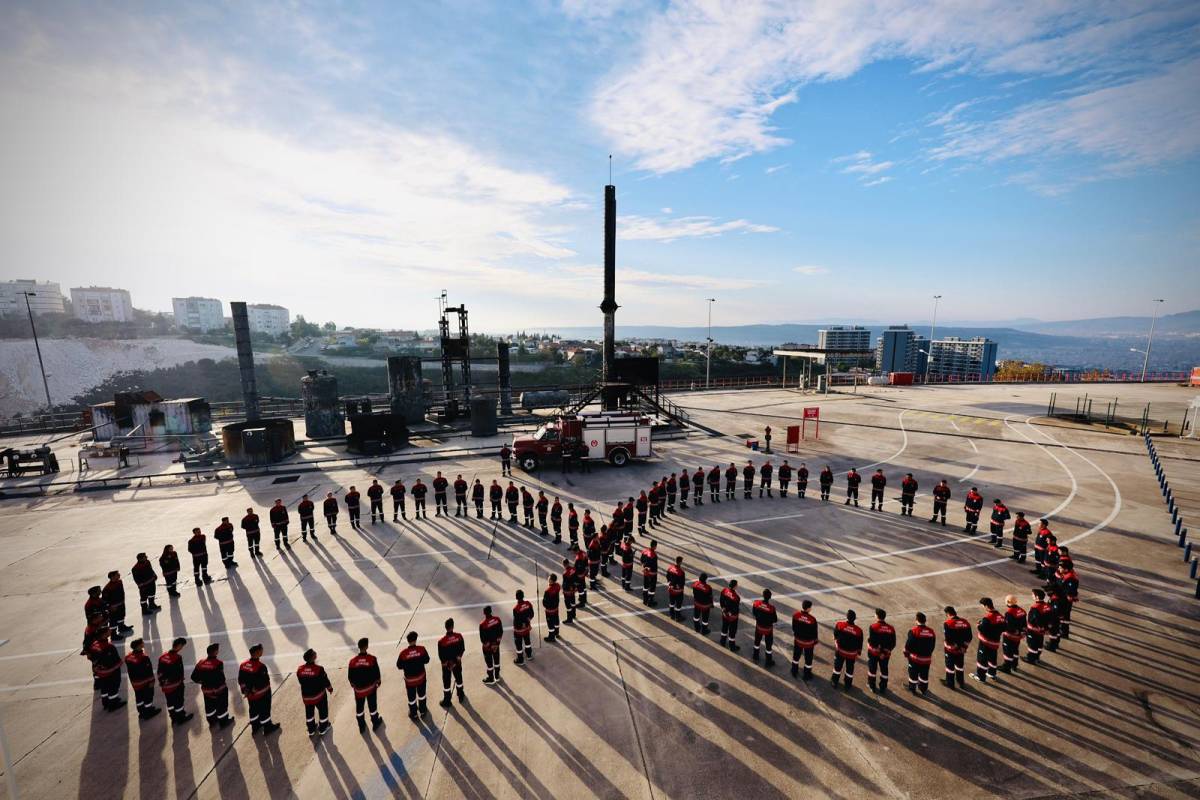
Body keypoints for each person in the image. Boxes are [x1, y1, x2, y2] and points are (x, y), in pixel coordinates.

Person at [238, 643, 279, 735]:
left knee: (253, 710)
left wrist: (245, 690)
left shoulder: (243, 665)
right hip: (262, 694)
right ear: (257, 652)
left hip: (250, 695)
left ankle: (255, 727)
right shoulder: (261, 666)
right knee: (264, 710)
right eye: (261, 649)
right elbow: (263, 681)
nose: (262, 651)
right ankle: (267, 728)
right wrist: (254, 689)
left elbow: (241, 680)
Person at [191, 643, 234, 727]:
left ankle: (212, 721)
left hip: (206, 690)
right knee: (222, 706)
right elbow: (221, 679)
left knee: (209, 706)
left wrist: (202, 682)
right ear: (215, 652)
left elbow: (193, 677)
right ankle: (223, 722)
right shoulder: (218, 663)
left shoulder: (201, 662)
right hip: (218, 690)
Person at [348, 638, 384, 731]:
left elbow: (350, 677)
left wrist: (354, 685)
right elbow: (376, 673)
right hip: (371, 689)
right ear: (366, 646)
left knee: (359, 708)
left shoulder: (352, 662)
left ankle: (361, 726)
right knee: (372, 706)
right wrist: (378, 681)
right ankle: (375, 722)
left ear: (359, 647)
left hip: (359, 691)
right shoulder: (372, 659)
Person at [157, 637, 193, 725]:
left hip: (166, 686)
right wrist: (180, 681)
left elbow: (159, 672)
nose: (182, 648)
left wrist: (162, 682)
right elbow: (178, 673)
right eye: (182, 646)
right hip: (176, 685)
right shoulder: (177, 658)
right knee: (178, 701)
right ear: (179, 646)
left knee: (170, 702)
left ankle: (173, 718)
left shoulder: (162, 657)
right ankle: (181, 718)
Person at [297, 649, 334, 735]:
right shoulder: (319, 669)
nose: (315, 653)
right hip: (319, 696)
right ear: (313, 657)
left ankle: (311, 729)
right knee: (323, 710)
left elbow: (301, 682)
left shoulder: (300, 669)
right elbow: (325, 680)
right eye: (314, 653)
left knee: (309, 712)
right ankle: (323, 727)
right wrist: (330, 688)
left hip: (306, 697)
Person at [89, 626, 126, 711]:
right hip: (111, 672)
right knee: (113, 687)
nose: (110, 631)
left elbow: (92, 657)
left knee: (104, 688)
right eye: (108, 631)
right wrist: (119, 664)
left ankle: (105, 702)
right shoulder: (109, 647)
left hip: (101, 672)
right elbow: (114, 659)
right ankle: (113, 704)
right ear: (104, 635)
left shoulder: (94, 645)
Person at [397, 631, 431, 718]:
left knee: (411, 697)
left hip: (410, 681)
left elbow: (399, 666)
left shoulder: (403, 653)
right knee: (422, 695)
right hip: (421, 678)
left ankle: (413, 713)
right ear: (416, 640)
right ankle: (423, 711)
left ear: (408, 641)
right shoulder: (422, 649)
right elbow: (427, 660)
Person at [972, 597, 1005, 683]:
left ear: (986, 606)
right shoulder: (1000, 616)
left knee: (982, 659)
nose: (983, 607)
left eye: (983, 606)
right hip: (995, 643)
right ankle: (991, 673)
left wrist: (978, 625)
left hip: (985, 643)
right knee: (992, 658)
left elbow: (982, 629)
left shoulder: (988, 618)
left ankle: (980, 677)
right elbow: (1004, 628)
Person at [904, 612, 936, 695]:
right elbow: (933, 645)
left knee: (913, 674)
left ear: (916, 620)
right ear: (925, 621)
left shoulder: (913, 631)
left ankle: (912, 689)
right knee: (924, 675)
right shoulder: (931, 632)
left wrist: (906, 654)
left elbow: (908, 645)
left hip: (915, 659)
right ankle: (923, 689)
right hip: (926, 659)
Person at [831, 610, 864, 690]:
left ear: (847, 617)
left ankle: (834, 681)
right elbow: (860, 643)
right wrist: (858, 653)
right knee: (849, 669)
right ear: (855, 618)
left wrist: (836, 641)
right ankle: (847, 685)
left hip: (840, 651)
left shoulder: (839, 625)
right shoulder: (859, 631)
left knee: (837, 667)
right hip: (851, 654)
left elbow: (835, 635)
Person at [437, 618, 466, 707]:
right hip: (457, 662)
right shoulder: (459, 636)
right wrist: (459, 657)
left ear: (445, 627)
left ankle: (447, 700)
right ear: (453, 626)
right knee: (459, 678)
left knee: (446, 682)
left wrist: (446, 663)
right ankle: (460, 695)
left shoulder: (441, 641)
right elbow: (462, 648)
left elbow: (441, 655)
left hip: (447, 665)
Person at [866, 608, 896, 693]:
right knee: (884, 670)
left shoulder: (873, 627)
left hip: (874, 653)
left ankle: (872, 686)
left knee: (872, 669)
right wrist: (884, 652)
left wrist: (869, 642)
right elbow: (893, 643)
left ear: (877, 616)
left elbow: (872, 642)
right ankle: (883, 687)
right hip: (885, 655)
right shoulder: (891, 628)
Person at [942, 606, 971, 689]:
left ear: (948, 614)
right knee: (959, 666)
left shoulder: (948, 623)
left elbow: (948, 638)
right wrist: (963, 647)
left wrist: (956, 646)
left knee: (950, 667)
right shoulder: (965, 622)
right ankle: (960, 682)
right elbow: (969, 636)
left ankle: (950, 683)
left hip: (951, 650)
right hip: (961, 650)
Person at [1050, 561, 1079, 640]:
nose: (1059, 569)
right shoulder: (1066, 574)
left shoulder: (1070, 578)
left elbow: (1069, 591)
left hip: (1063, 601)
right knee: (1063, 616)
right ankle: (1063, 631)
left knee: (1062, 616)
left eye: (1060, 568)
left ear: (1066, 569)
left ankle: (1063, 632)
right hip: (1062, 599)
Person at [791, 599, 818, 680]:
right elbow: (814, 633)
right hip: (808, 643)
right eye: (811, 607)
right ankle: (807, 674)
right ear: (808, 608)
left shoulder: (795, 615)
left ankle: (794, 670)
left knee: (796, 656)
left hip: (798, 641)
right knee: (808, 659)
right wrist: (815, 641)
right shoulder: (812, 619)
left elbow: (793, 628)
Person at [752, 589, 778, 666]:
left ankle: (755, 656)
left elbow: (754, 613)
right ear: (770, 597)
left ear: (763, 595)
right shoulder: (772, 608)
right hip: (768, 630)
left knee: (757, 642)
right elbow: (775, 620)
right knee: (768, 645)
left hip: (759, 627)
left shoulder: (756, 603)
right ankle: (768, 661)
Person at [1000, 595, 1026, 673]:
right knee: (1015, 650)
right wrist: (1021, 632)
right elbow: (1024, 624)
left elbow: (1008, 626)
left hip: (1009, 636)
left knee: (1008, 651)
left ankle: (1006, 667)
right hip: (1018, 637)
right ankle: (1014, 665)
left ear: (1008, 602)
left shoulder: (1009, 613)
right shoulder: (1022, 611)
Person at [1025, 589, 1052, 664]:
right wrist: (1046, 628)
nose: (1032, 596)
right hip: (1041, 631)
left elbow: (1036, 619)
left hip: (1033, 630)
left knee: (1032, 644)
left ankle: (1031, 659)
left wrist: (1040, 627)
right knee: (1039, 644)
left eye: (1033, 595)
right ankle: (1037, 658)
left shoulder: (1035, 607)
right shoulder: (1047, 605)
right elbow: (1050, 617)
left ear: (1037, 597)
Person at [102, 571, 133, 636]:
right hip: (114, 608)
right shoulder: (107, 588)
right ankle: (113, 634)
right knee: (113, 620)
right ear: (112, 577)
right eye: (117, 574)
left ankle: (121, 627)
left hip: (121, 604)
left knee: (121, 616)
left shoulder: (119, 582)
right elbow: (104, 601)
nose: (119, 575)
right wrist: (110, 607)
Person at [479, 607, 503, 685]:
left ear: (484, 613)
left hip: (487, 649)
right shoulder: (497, 620)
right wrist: (496, 644)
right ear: (491, 611)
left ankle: (491, 678)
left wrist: (490, 646)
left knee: (489, 664)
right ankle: (497, 676)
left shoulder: (482, 625)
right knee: (497, 661)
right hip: (496, 646)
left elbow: (483, 639)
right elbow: (500, 632)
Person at [512, 590, 535, 665]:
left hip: (518, 630)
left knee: (518, 645)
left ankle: (520, 659)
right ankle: (529, 655)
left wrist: (522, 624)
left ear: (516, 597)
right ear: (523, 596)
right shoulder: (528, 604)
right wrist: (527, 621)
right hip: (526, 628)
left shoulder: (516, 608)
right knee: (527, 642)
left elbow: (517, 620)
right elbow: (532, 614)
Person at [719, 579, 741, 651]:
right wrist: (731, 613)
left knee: (724, 627)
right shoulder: (736, 597)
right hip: (732, 617)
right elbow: (735, 609)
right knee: (732, 631)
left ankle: (722, 641)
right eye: (736, 585)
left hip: (725, 614)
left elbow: (721, 601)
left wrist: (723, 609)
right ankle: (732, 646)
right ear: (734, 586)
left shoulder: (724, 591)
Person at [543, 574, 562, 642]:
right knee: (556, 620)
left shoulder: (547, 591)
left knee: (550, 624)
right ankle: (557, 633)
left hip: (549, 610)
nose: (548, 579)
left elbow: (545, 602)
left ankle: (551, 637)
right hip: (556, 608)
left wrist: (545, 605)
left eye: (549, 578)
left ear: (551, 580)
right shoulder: (558, 586)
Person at [666, 556, 686, 621]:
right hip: (678, 591)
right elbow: (682, 583)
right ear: (680, 562)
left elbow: (667, 576)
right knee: (678, 604)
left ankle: (671, 614)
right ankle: (678, 616)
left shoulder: (670, 568)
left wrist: (670, 583)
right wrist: (679, 586)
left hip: (671, 589)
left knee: (671, 602)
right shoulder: (681, 572)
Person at [640, 539, 659, 607]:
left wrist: (644, 567)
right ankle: (650, 602)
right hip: (652, 574)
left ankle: (645, 600)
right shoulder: (653, 555)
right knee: (652, 588)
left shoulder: (645, 551)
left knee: (645, 586)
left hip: (646, 573)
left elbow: (641, 560)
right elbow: (653, 566)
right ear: (654, 546)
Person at [561, 557, 578, 624]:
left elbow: (565, 583)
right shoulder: (573, 569)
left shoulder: (565, 573)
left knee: (568, 606)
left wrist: (563, 590)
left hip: (568, 591)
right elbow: (576, 578)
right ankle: (574, 614)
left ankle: (569, 619)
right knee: (573, 602)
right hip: (573, 589)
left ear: (564, 564)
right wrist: (575, 587)